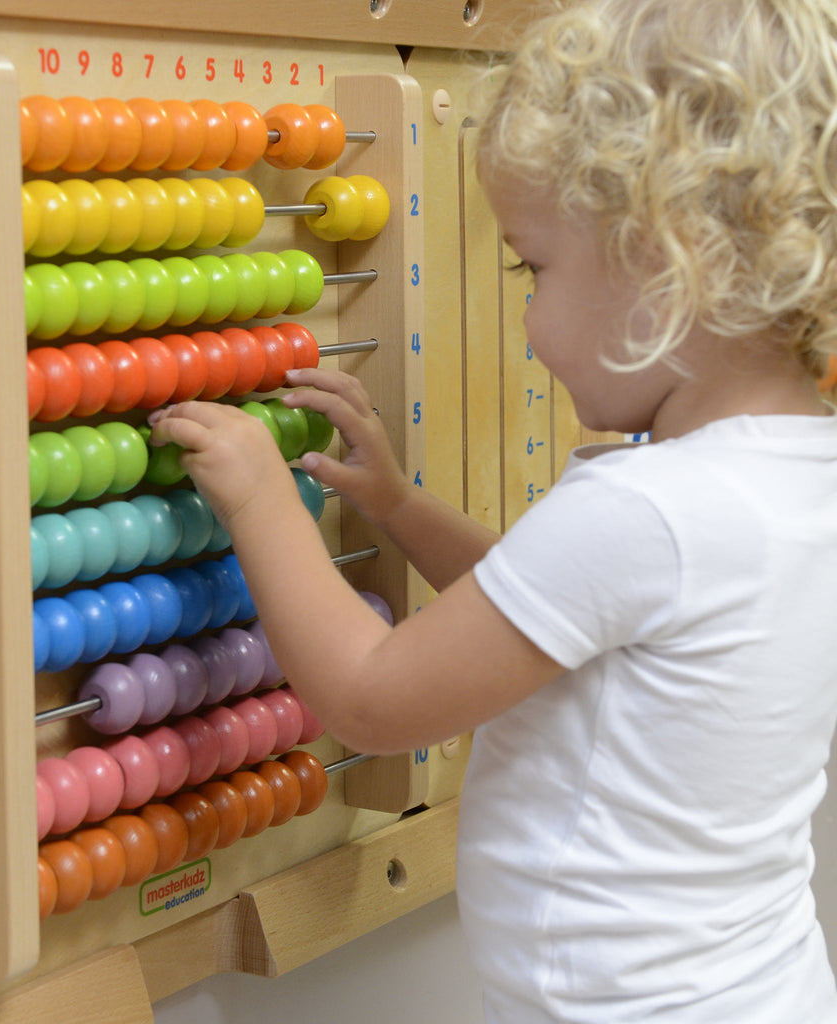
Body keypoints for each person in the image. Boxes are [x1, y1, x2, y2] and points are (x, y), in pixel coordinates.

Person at [148, 0, 837, 1017]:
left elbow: (372, 702)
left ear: (668, 261)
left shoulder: (643, 507)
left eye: (534, 267)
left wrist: (259, 492)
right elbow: (550, 618)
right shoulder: (791, 471)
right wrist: (397, 505)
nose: (524, 312)